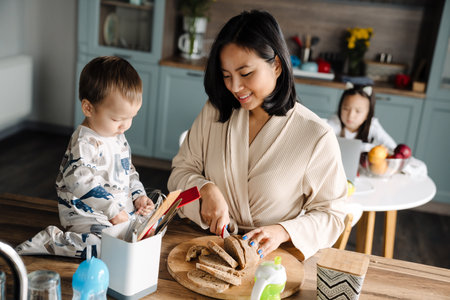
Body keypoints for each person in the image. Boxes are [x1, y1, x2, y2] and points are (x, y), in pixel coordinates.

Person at [168, 10, 347, 261]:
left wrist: (283, 231)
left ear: (276, 65)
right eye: (227, 75)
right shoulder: (215, 112)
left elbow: (333, 215)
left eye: (246, 73)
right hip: (203, 247)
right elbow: (179, 173)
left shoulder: (315, 135)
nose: (234, 87)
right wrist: (206, 189)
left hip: (273, 260)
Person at [16, 56, 154, 258]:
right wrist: (113, 211)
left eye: (131, 117)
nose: (126, 126)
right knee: (102, 248)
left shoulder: (117, 136)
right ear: (88, 108)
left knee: (149, 228)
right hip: (86, 214)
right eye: (117, 119)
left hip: (116, 211)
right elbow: (79, 181)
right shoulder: (84, 143)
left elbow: (129, 172)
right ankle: (52, 241)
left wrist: (138, 196)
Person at [327, 83, 397, 150]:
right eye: (346, 109)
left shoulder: (372, 125)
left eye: (358, 111)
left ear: (368, 114)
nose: (350, 115)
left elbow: (392, 146)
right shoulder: (335, 121)